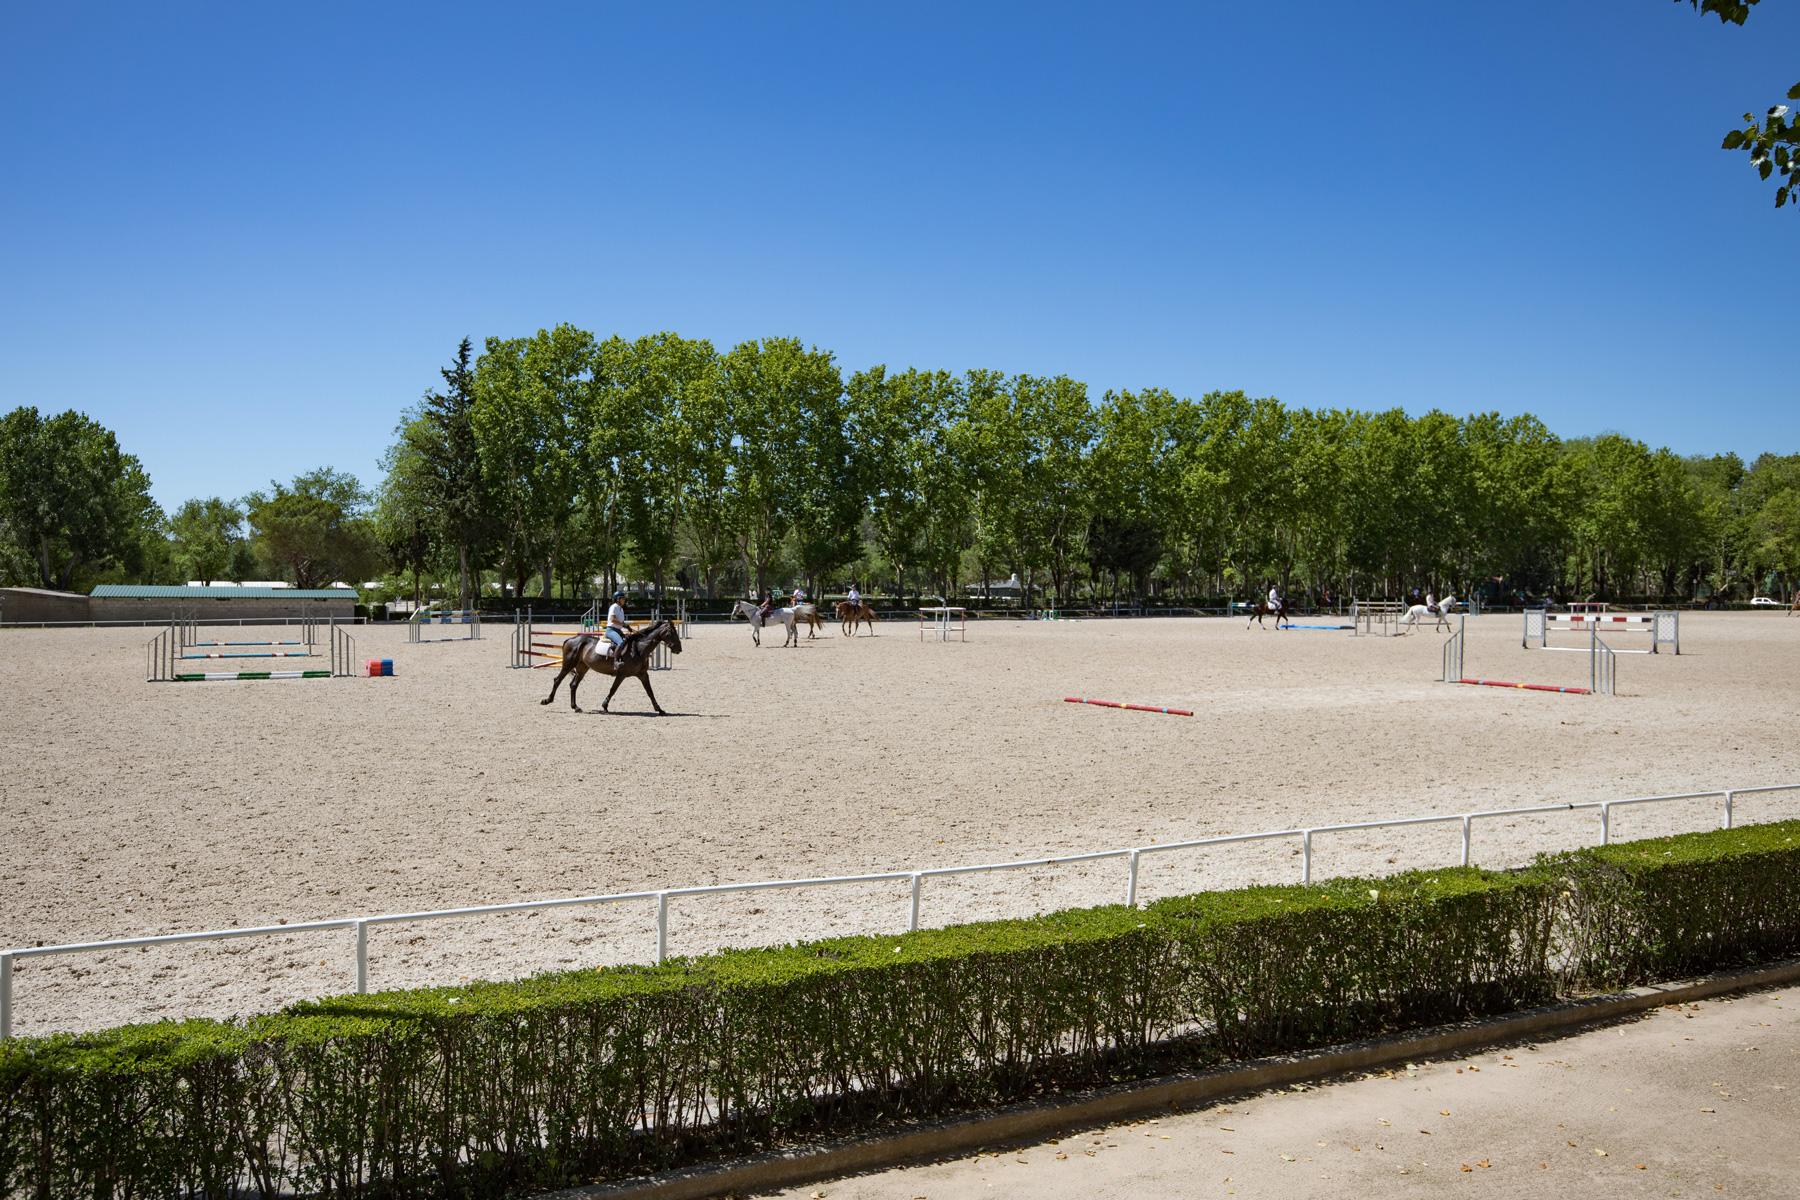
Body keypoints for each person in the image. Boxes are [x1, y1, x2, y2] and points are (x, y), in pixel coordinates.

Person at [603, 590, 629, 654]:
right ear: (618, 599)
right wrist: (623, 625)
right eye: (622, 598)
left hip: (618, 631)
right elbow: (612, 619)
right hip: (611, 631)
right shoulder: (614, 607)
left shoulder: (621, 609)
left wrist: (628, 627)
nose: (624, 600)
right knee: (621, 643)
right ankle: (616, 660)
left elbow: (621, 622)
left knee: (629, 640)